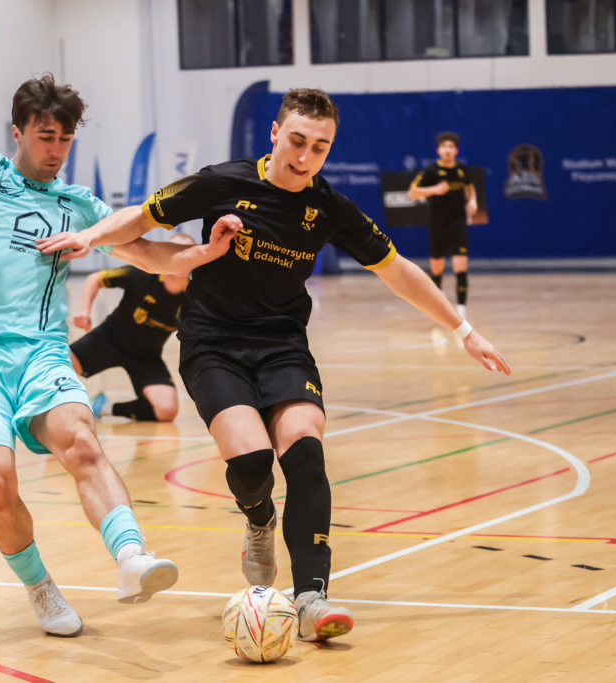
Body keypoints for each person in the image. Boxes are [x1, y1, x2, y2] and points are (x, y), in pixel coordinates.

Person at [38, 88, 510, 643]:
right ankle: (259, 516)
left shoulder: (328, 208)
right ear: (274, 134)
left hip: (282, 345)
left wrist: (464, 331)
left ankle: (311, 597)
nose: (305, 157)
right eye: (297, 141)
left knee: (306, 452)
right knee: (253, 463)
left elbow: (398, 270)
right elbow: (139, 218)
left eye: (320, 148)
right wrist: (90, 237)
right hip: (213, 343)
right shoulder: (223, 182)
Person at [0, 23, 240, 638]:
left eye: (64, 138)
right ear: (18, 132)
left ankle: (132, 557)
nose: (56, 149)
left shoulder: (80, 205)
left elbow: (149, 255)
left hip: (41, 351)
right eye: (45, 136)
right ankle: (40, 588)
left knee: (82, 442)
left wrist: (206, 252)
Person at [71, 232, 196, 423]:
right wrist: (84, 311)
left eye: (185, 253)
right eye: (173, 251)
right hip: (109, 339)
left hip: (147, 356)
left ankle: (103, 407)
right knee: (61, 365)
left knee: (167, 411)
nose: (179, 258)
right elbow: (95, 278)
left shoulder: (194, 296)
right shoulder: (143, 274)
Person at [407, 132, 478, 319]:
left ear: (456, 151)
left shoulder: (462, 170)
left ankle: (461, 308)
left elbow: (470, 187)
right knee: (436, 269)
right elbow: (412, 192)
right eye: (444, 147)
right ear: (439, 150)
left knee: (460, 267)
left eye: (451, 147)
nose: (447, 150)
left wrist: (473, 201)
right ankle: (438, 306)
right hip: (438, 226)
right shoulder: (431, 171)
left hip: (459, 225)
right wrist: (435, 190)